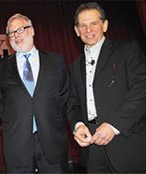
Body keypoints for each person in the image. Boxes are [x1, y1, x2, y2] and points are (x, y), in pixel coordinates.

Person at [67, 2, 146, 173]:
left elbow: (141, 91)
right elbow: (72, 102)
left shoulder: (128, 50)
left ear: (105, 25)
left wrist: (113, 125)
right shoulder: (75, 66)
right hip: (92, 150)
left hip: (127, 144)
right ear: (76, 30)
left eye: (93, 23)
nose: (88, 30)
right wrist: (78, 125)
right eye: (83, 25)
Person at [0, 13, 69, 173]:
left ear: (32, 30)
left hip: (51, 140)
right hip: (17, 144)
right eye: (11, 33)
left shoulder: (55, 61)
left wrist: (46, 114)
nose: (15, 36)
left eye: (20, 30)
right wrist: (18, 119)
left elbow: (64, 95)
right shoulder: (0, 68)